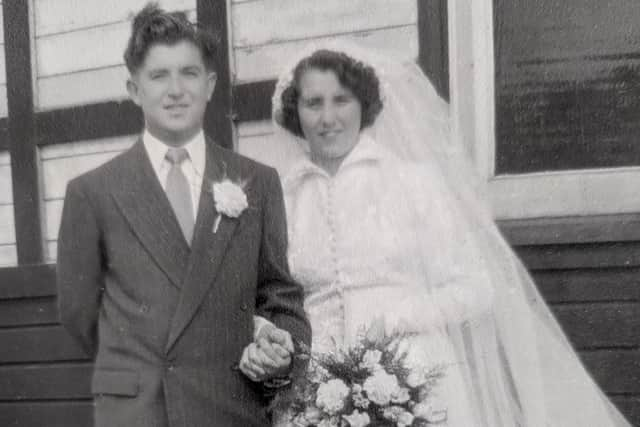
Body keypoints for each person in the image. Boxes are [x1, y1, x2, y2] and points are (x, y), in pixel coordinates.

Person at [246, 40, 631, 426]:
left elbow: (475, 287)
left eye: (341, 100)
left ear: (363, 103)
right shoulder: (282, 197)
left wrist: (397, 318)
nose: (328, 117)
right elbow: (266, 295)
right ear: (296, 111)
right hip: (315, 382)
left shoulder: (413, 183)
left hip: (412, 372)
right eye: (313, 103)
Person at [56, 4, 310, 427]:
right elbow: (79, 316)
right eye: (158, 75)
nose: (176, 90)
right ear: (134, 89)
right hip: (139, 411)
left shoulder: (257, 182)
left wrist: (278, 351)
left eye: (189, 73)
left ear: (209, 85)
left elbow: (280, 297)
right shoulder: (92, 192)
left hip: (230, 405)